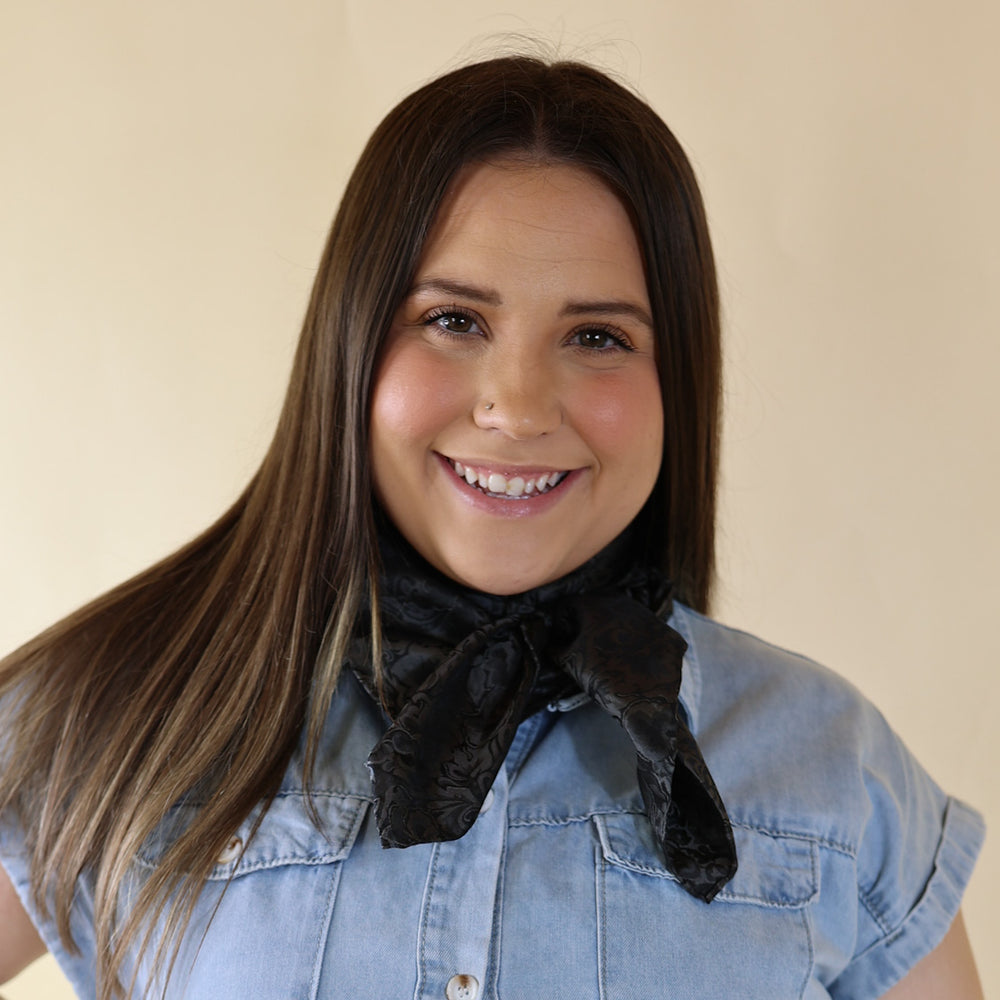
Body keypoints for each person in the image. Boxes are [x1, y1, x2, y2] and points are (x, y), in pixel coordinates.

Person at [0, 55, 985, 999]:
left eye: (596, 336)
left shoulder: (830, 769)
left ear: (675, 381)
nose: (516, 407)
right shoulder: (116, 712)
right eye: (454, 320)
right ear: (352, 345)